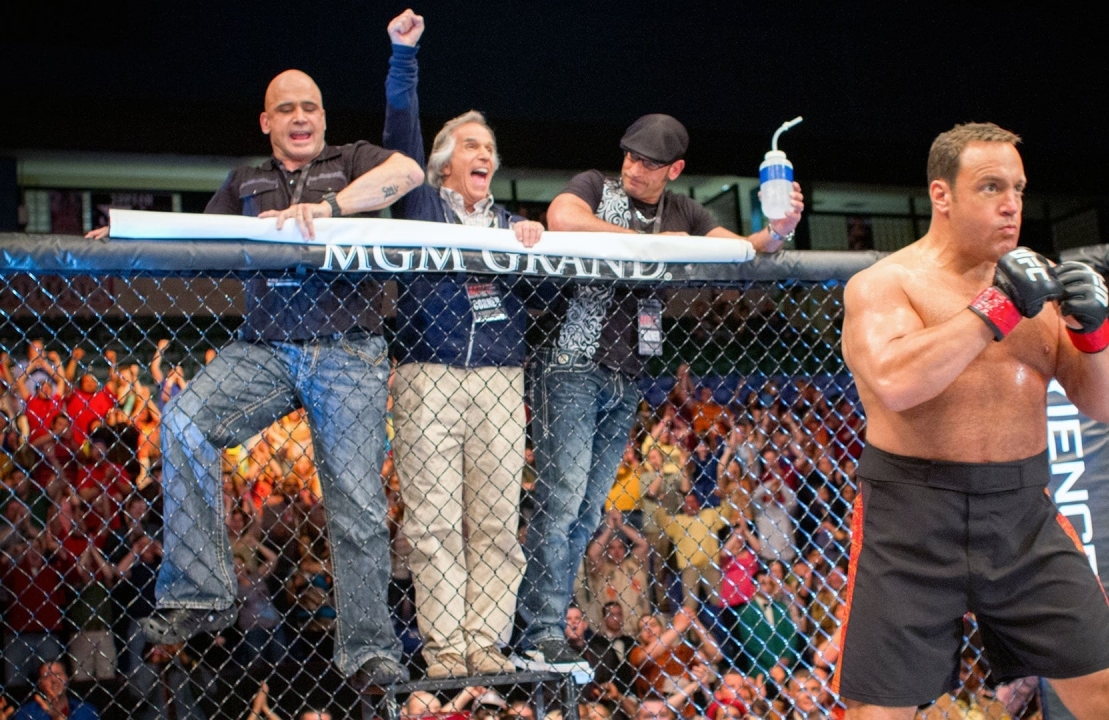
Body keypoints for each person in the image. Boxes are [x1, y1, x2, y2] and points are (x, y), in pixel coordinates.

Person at [104, 68, 424, 689]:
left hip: (349, 348)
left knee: (357, 503)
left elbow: (408, 172)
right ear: (266, 121)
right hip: (267, 346)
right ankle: (202, 593)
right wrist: (124, 236)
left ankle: (369, 648)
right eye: (286, 109)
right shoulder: (244, 180)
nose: (300, 117)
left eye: (311, 107)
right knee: (184, 421)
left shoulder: (350, 161)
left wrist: (328, 208)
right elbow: (200, 239)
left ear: (323, 118)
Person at [837, 122, 1109, 719]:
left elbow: (1107, 405)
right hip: (912, 518)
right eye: (991, 186)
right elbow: (897, 382)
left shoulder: (1040, 284)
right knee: (879, 712)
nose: (1011, 205)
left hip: (1023, 514)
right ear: (942, 195)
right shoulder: (885, 284)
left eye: (1018, 189)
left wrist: (1094, 332)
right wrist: (995, 307)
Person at [517, 113, 805, 663]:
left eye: (650, 163)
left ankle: (546, 626)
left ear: (675, 169)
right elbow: (561, 217)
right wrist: (648, 243)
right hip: (572, 362)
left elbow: (744, 247)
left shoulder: (684, 212)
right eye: (630, 155)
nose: (634, 168)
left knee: (586, 511)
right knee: (561, 501)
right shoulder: (596, 187)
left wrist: (780, 229)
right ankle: (540, 630)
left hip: (628, 373)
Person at [382, 8, 541, 679]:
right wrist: (404, 59)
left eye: (489, 149)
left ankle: (486, 645)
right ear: (444, 164)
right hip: (429, 374)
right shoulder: (420, 206)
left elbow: (539, 304)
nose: (484, 155)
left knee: (498, 523)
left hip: (501, 380)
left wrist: (533, 247)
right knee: (435, 523)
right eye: (471, 146)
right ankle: (448, 653)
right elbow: (401, 135)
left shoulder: (512, 227)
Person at [12, 661, 99, 720]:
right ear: (40, 684)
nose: (53, 680)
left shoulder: (87, 711)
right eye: (46, 676)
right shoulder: (26, 714)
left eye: (58, 674)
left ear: (67, 679)